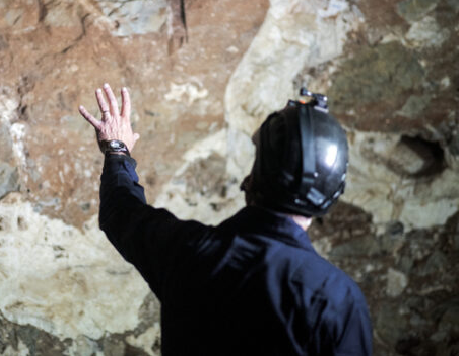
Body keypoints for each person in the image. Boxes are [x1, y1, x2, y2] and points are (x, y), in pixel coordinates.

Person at [79, 84, 373, 355]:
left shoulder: (187, 252)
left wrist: (116, 148)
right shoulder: (337, 299)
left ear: (253, 179)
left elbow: (121, 210)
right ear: (331, 192)